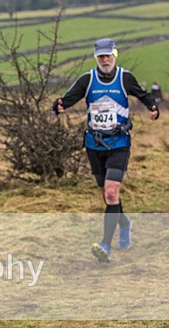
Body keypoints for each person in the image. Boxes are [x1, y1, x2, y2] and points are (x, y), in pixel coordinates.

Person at [53, 38, 159, 262]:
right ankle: (124, 223)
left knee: (112, 192)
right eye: (101, 56)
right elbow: (68, 99)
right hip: (94, 144)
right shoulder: (87, 79)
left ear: (115, 55)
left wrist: (152, 107)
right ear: (96, 58)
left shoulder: (125, 77)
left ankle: (105, 246)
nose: (105, 60)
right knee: (107, 195)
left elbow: (142, 94)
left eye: (108, 56)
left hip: (119, 143)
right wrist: (59, 106)